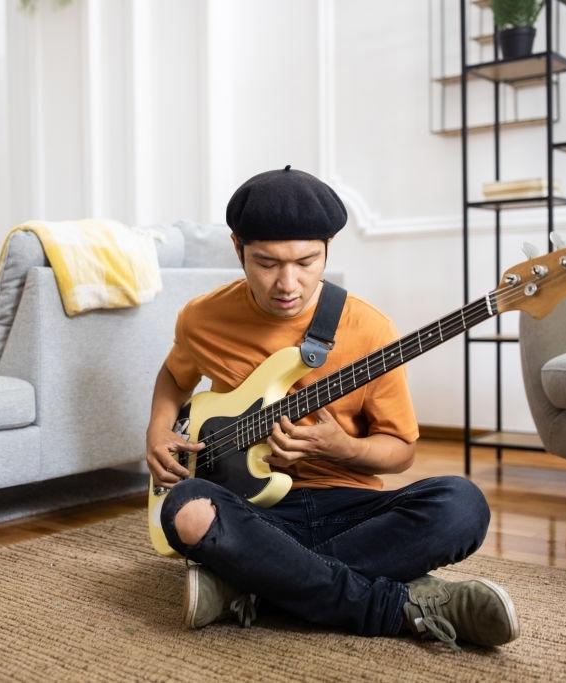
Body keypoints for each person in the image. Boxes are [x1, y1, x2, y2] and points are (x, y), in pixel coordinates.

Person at [145, 166, 519, 650]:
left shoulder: (369, 330)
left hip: (350, 507)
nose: (288, 283)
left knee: (462, 505)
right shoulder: (203, 318)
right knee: (186, 508)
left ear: (328, 250)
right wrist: (157, 429)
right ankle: (398, 606)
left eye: (306, 261)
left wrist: (342, 447)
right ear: (237, 248)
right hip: (253, 511)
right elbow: (175, 377)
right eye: (266, 263)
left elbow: (400, 451)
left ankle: (250, 583)